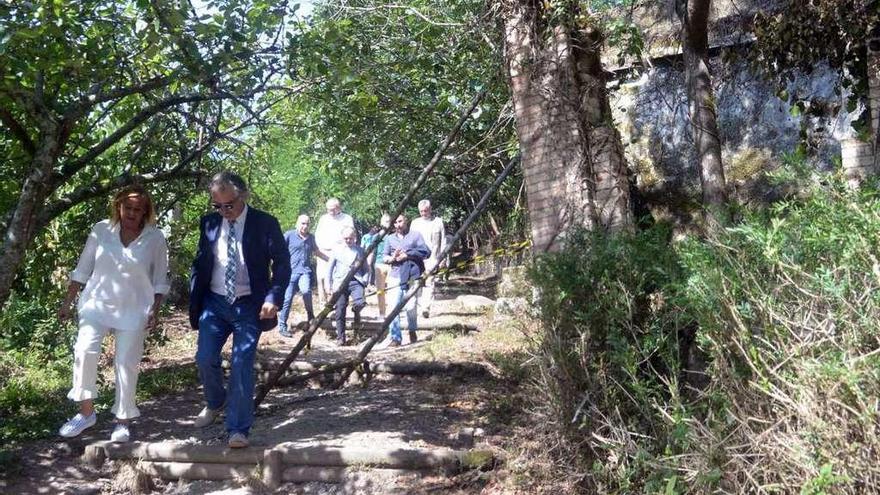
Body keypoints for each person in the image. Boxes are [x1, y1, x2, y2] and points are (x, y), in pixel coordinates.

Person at [57, 185, 169, 443]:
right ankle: (86, 414)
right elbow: (82, 269)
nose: (131, 213)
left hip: (134, 309)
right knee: (84, 351)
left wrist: (155, 309)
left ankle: (122, 421)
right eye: (127, 207)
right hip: (96, 304)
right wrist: (67, 303)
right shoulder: (101, 230)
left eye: (137, 209)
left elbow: (160, 278)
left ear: (145, 212)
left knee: (126, 364)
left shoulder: (155, 238)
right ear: (118, 206)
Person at [189, 171, 290, 449]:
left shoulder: (265, 223)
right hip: (215, 301)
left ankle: (238, 428)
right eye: (217, 206)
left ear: (242, 196)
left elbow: (282, 263)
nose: (223, 211)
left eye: (228, 205)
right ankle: (215, 401)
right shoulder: (209, 223)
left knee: (241, 363)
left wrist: (273, 297)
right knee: (205, 357)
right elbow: (202, 261)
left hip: (249, 304)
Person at [382, 214, 430, 347]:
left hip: (412, 275)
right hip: (395, 275)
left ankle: (412, 330)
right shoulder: (390, 239)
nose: (398, 225)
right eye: (395, 223)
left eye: (400, 221)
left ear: (406, 221)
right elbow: (384, 257)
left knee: (411, 306)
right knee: (393, 307)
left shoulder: (416, 235)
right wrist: (393, 258)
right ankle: (396, 337)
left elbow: (425, 252)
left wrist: (408, 255)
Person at [278, 214, 328, 338]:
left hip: (304, 272)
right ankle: (282, 326)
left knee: (306, 291)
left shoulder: (311, 238)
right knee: (287, 298)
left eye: (307, 224)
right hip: (290, 272)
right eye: (302, 223)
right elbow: (278, 249)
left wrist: (331, 260)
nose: (305, 226)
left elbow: (317, 252)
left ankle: (310, 316)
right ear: (297, 224)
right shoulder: (289, 235)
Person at [328, 226, 369, 346]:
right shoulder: (336, 250)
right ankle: (341, 338)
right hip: (340, 283)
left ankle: (357, 330)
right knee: (340, 310)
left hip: (356, 281)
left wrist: (365, 280)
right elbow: (329, 269)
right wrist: (329, 285)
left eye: (351, 238)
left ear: (355, 238)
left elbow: (366, 269)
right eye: (346, 238)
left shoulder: (360, 250)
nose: (348, 241)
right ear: (342, 238)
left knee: (360, 303)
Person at [409, 199, 446, 319]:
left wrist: (442, 258)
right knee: (417, 282)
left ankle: (426, 308)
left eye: (425, 211)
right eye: (421, 211)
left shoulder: (438, 222)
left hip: (433, 257)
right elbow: (410, 241)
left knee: (430, 282)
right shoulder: (415, 223)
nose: (423, 213)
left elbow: (443, 242)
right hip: (417, 257)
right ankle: (418, 306)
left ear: (430, 209)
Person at [313, 198, 354, 305]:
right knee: (322, 279)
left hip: (340, 253)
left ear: (338, 207)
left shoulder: (347, 218)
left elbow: (352, 235)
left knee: (337, 279)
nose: (329, 212)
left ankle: (335, 305)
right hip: (323, 252)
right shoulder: (323, 219)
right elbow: (317, 235)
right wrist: (319, 250)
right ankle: (323, 305)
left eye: (332, 209)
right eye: (328, 209)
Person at [373, 213, 392, 318]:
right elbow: (372, 252)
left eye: (388, 221)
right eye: (385, 221)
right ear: (381, 223)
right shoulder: (377, 237)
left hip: (391, 265)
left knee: (391, 289)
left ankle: (392, 311)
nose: (387, 223)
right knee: (380, 290)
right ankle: (382, 313)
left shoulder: (393, 236)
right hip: (379, 265)